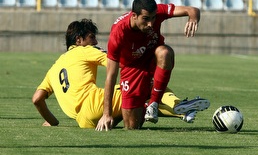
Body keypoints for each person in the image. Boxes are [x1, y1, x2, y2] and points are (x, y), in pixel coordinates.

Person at [32, 19, 209, 129]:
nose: (95, 41)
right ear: (79, 40)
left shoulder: (54, 68)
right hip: (96, 103)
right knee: (147, 84)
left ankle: (181, 112)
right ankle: (178, 106)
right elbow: (116, 61)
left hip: (83, 121)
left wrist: (52, 122)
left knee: (138, 108)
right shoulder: (84, 50)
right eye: (91, 37)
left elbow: (37, 99)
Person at [96, 0, 204, 131]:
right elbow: (110, 76)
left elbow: (191, 9)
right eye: (146, 19)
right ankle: (163, 106)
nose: (151, 24)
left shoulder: (158, 11)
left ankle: (154, 103)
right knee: (132, 126)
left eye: (153, 18)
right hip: (131, 69)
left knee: (165, 52)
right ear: (134, 15)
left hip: (153, 59)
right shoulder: (118, 33)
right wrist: (107, 114)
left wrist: (193, 18)